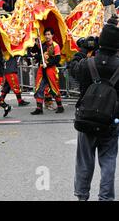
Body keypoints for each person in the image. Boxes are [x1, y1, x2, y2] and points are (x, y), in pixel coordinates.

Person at [68, 15, 119, 201]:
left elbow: (71, 67)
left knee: (84, 160)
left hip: (86, 119)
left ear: (100, 43)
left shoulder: (88, 63)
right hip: (110, 121)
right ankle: (106, 197)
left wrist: (83, 49)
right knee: (108, 160)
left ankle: (82, 195)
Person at [30, 28, 64, 115]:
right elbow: (33, 52)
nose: (47, 36)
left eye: (49, 34)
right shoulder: (42, 45)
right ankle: (39, 108)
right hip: (42, 69)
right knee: (39, 87)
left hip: (50, 69)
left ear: (52, 35)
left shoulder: (55, 45)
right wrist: (36, 44)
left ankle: (60, 106)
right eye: (46, 34)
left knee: (54, 87)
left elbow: (57, 59)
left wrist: (48, 64)